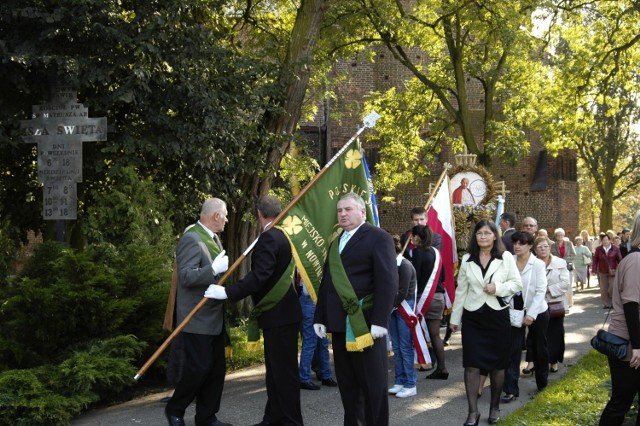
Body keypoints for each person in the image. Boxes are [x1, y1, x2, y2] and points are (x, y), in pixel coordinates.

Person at [204, 196, 303, 426]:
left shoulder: (269, 237)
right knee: (276, 372)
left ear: (259, 214)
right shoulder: (279, 235)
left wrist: (229, 293)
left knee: (283, 373)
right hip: (280, 314)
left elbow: (260, 276)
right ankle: (274, 417)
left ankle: (290, 421)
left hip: (279, 314)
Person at [313, 192, 398, 426]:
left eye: (348, 209)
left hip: (366, 325)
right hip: (340, 326)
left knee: (372, 386)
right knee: (348, 386)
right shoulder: (335, 241)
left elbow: (388, 281)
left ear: (362, 212)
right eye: (340, 210)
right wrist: (320, 316)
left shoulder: (378, 238)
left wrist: (381, 320)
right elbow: (327, 282)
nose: (342, 214)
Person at [165, 198, 232, 426]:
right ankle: (175, 409)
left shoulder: (213, 238)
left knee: (215, 371)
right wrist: (212, 269)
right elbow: (185, 276)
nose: (226, 219)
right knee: (199, 368)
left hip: (213, 316)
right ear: (215, 216)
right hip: (196, 317)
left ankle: (207, 417)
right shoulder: (192, 238)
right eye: (224, 215)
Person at [449, 219, 522, 426]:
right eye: (479, 233)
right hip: (473, 318)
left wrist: (497, 287)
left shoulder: (506, 257)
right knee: (471, 364)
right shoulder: (467, 260)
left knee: (497, 366)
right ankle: (473, 412)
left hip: (497, 317)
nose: (483, 236)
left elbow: (516, 284)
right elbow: (461, 290)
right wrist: (455, 318)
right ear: (476, 236)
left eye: (487, 233)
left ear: (495, 236)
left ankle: (494, 407)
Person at [599, 212, 640, 425]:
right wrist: (638, 347)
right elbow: (632, 306)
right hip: (629, 345)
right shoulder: (636, 260)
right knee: (620, 404)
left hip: (634, 343)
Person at [501, 231, 549, 403]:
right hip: (514, 312)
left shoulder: (537, 264)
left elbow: (540, 291)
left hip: (538, 311)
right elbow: (505, 286)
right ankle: (510, 389)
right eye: (515, 243)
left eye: (521, 243)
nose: (517, 246)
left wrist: (531, 315)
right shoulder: (509, 262)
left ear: (530, 246)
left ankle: (542, 384)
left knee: (538, 348)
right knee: (512, 350)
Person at [410, 225, 449, 381]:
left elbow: (415, 277)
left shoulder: (418, 253)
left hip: (424, 298)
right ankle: (442, 367)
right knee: (435, 335)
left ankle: (420, 363)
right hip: (438, 296)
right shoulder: (436, 253)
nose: (411, 239)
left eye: (413, 236)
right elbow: (444, 275)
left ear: (418, 237)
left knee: (417, 333)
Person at [533, 236, 570, 374]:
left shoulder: (560, 262)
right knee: (538, 334)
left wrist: (547, 289)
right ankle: (536, 362)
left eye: (546, 246)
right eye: (540, 247)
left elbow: (565, 283)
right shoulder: (532, 264)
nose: (543, 249)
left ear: (550, 247)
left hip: (556, 303)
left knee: (555, 333)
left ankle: (553, 361)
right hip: (537, 304)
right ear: (535, 250)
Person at [388, 235, 418, 398]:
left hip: (403, 308)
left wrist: (389, 305)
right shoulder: (391, 263)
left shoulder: (404, 265)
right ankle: (399, 380)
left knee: (405, 347)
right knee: (397, 347)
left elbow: (403, 292)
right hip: (393, 309)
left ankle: (410, 383)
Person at [298, 275, 338, 390]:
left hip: (320, 300)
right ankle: (304, 378)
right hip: (309, 298)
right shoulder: (308, 259)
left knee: (323, 341)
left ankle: (325, 375)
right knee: (310, 342)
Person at [593, 234, 623, 309]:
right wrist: (594, 269)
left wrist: (622, 269)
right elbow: (595, 260)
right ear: (601, 241)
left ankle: (613, 302)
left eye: (607, 240)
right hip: (602, 271)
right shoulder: (598, 249)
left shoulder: (615, 249)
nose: (605, 241)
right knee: (604, 288)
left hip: (613, 271)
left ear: (610, 240)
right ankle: (606, 304)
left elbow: (620, 260)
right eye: (603, 240)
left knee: (612, 288)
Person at [551, 228, 576, 307]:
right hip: (557, 267)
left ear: (564, 235)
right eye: (558, 235)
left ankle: (569, 302)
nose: (560, 236)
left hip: (567, 266)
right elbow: (551, 255)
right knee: (558, 284)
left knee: (568, 285)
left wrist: (564, 260)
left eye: (561, 235)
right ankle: (561, 302)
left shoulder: (569, 243)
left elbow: (573, 255)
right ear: (555, 236)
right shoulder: (553, 245)